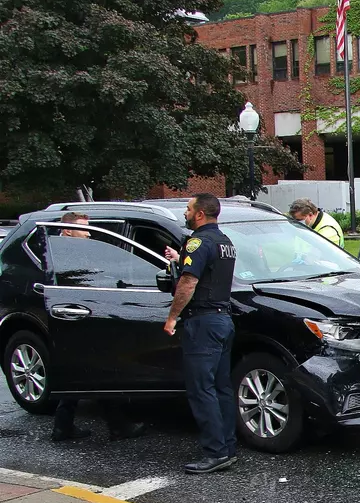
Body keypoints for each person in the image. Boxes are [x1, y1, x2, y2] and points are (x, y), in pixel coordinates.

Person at [51, 212, 146, 442]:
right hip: (79, 321)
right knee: (97, 373)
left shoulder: (67, 253)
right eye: (83, 228)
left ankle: (63, 427)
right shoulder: (69, 256)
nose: (88, 232)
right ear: (67, 231)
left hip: (77, 321)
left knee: (82, 375)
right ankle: (117, 426)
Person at [163, 194, 238, 474]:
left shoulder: (198, 241)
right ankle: (227, 447)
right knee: (221, 388)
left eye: (188, 208)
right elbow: (209, 270)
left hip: (203, 323)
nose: (185, 212)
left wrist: (172, 317)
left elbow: (189, 281)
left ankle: (214, 452)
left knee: (201, 389)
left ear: (199, 214)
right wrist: (179, 257)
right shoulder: (224, 242)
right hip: (223, 320)